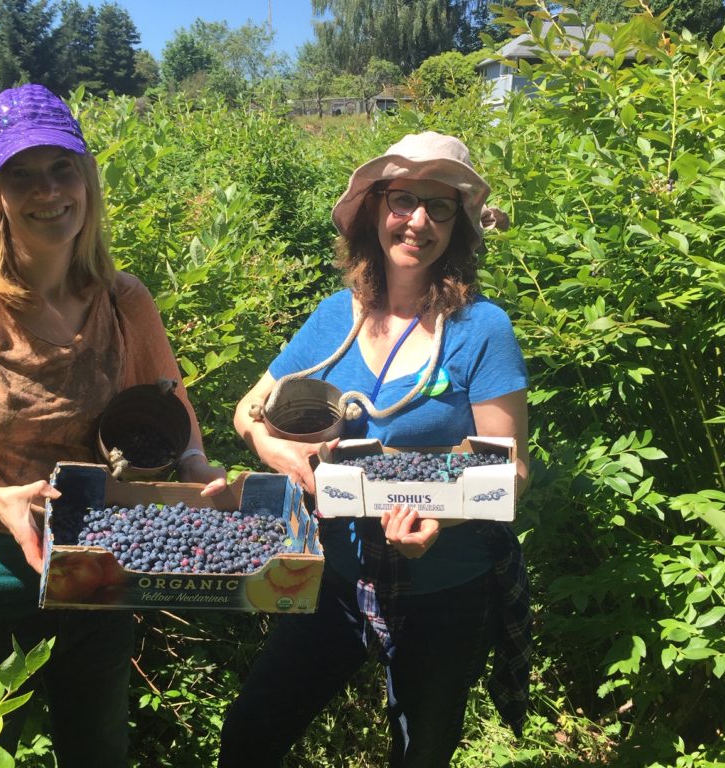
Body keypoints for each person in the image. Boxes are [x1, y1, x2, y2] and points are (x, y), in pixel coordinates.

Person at [0, 83, 226, 766]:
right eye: (20, 174)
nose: (47, 190)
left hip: (98, 572)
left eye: (62, 167)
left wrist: (196, 466)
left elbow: (170, 409)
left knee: (97, 749)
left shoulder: (123, 299)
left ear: (86, 178)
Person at [220, 132, 531, 767]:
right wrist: (279, 453)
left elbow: (511, 469)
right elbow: (248, 410)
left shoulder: (482, 329)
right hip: (337, 578)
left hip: (443, 588)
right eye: (403, 199)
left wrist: (439, 517)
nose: (418, 220)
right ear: (375, 208)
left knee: (421, 752)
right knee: (251, 730)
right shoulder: (337, 316)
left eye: (440, 206)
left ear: (459, 226)